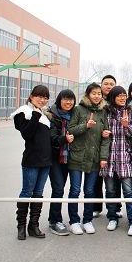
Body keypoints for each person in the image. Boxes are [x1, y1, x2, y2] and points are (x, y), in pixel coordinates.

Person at [66, 83, 110, 235]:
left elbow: (106, 136)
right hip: (77, 157)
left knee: (90, 190)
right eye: (94, 93)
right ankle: (74, 221)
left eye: (99, 93)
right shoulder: (78, 109)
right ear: (88, 95)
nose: (97, 96)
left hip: (94, 158)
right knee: (75, 190)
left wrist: (103, 157)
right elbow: (70, 130)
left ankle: (87, 220)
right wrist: (85, 126)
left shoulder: (103, 111)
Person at [12, 85, 52, 240]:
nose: (42, 100)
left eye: (45, 97)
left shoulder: (44, 115)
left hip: (46, 162)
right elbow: (27, 134)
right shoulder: (23, 112)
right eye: (39, 96)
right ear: (31, 96)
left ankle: (33, 226)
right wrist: (35, 115)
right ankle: (21, 226)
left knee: (38, 194)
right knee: (27, 192)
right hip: (31, 160)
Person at [103, 86, 132, 236]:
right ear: (113, 97)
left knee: (129, 191)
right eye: (119, 96)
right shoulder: (106, 112)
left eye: (124, 95)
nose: (122, 98)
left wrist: (127, 126)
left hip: (125, 156)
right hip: (109, 156)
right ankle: (112, 218)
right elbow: (101, 131)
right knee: (110, 191)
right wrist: (103, 133)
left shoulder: (131, 111)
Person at [45, 88, 77, 236]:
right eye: (65, 99)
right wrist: (64, 139)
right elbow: (52, 138)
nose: (68, 102)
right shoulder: (51, 115)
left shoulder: (75, 114)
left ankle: (70, 220)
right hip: (56, 157)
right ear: (59, 100)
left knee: (72, 189)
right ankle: (55, 220)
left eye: (71, 99)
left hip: (72, 157)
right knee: (58, 188)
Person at [94, 74, 117, 218]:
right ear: (101, 85)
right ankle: (96, 207)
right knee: (96, 179)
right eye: (106, 84)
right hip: (96, 144)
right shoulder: (96, 100)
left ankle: (116, 207)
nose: (108, 86)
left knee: (114, 179)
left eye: (111, 84)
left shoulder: (117, 101)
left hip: (114, 146)